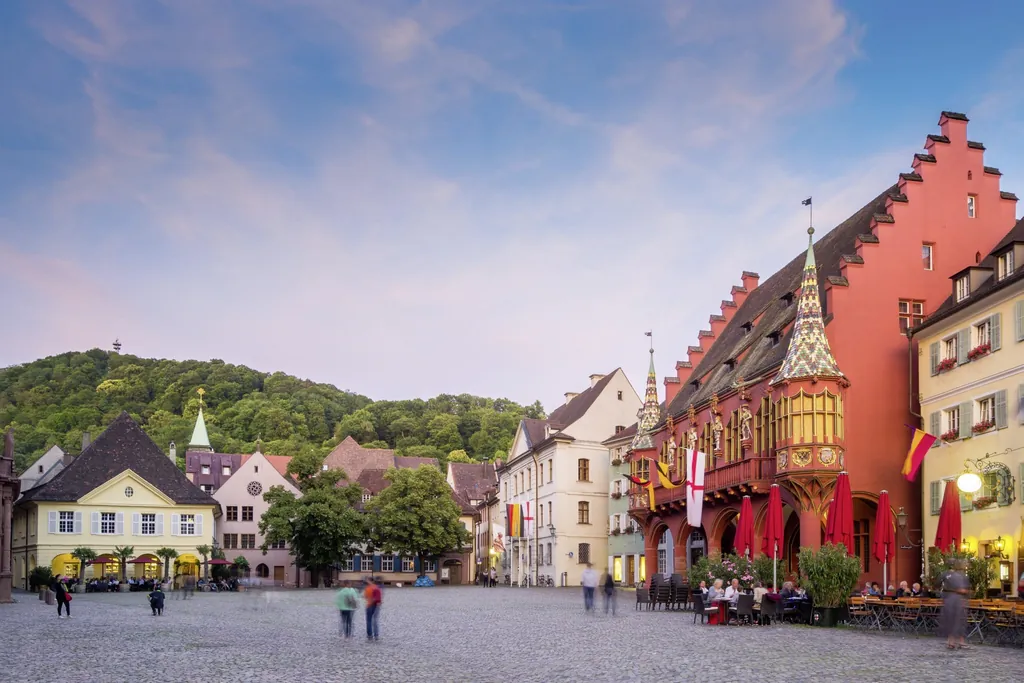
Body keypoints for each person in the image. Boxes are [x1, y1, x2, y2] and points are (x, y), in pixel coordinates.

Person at [940, 559, 971, 650]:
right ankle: (955, 642)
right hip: (957, 601)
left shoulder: (949, 575)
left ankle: (953, 642)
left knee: (954, 621)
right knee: (956, 621)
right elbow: (963, 589)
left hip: (953, 601)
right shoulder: (957, 576)